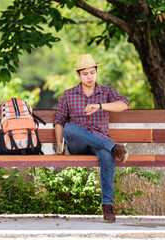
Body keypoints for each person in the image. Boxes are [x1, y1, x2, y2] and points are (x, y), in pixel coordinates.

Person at [54, 54, 129, 223]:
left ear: (96, 72)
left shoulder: (107, 92)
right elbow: (59, 121)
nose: (89, 77)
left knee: (107, 155)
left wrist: (100, 106)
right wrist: (59, 145)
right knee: (70, 127)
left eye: (92, 73)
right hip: (77, 143)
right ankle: (114, 146)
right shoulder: (68, 95)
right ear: (78, 75)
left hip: (99, 140)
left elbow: (124, 104)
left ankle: (107, 206)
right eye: (85, 73)